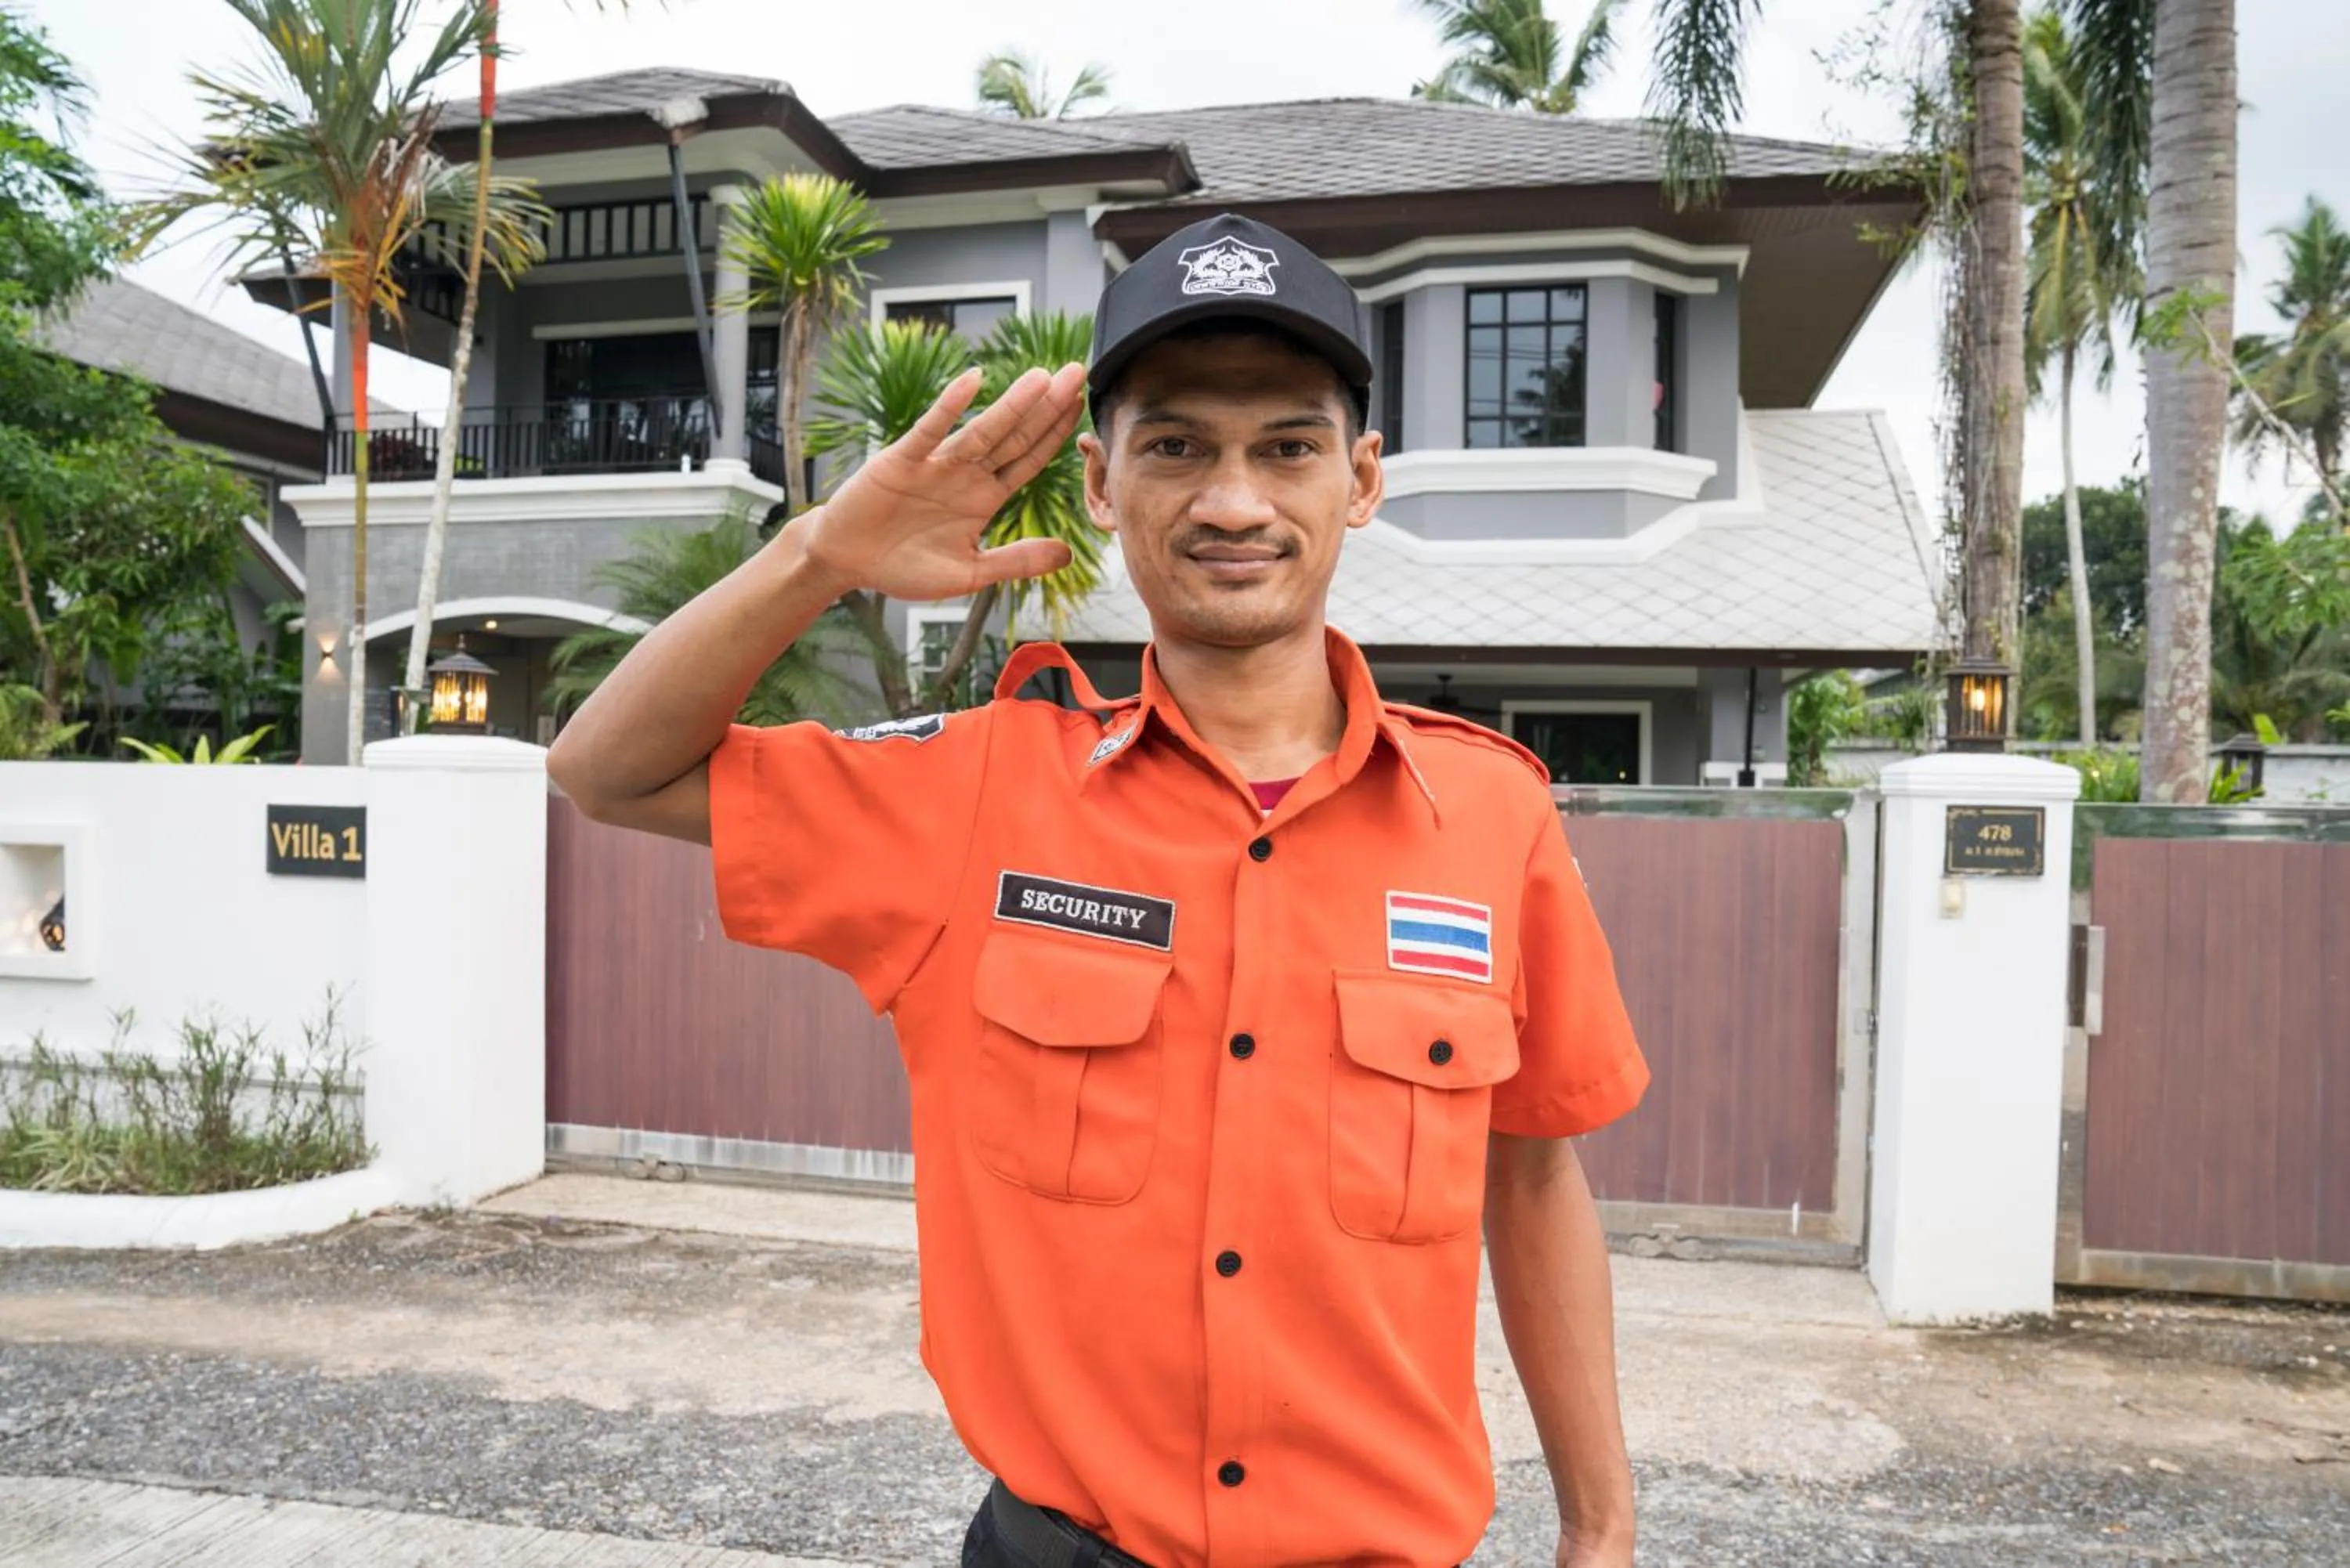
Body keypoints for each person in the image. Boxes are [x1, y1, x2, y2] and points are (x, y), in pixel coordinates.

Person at [549, 212, 1650, 1568]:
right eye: (1176, 445)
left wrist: (1602, 1528)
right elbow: (605, 770)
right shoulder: (976, 794)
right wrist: (822, 553)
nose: (1234, 501)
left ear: (1361, 481)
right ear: (1097, 481)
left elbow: (1535, 1175)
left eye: (1288, 447)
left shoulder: (1490, 814)